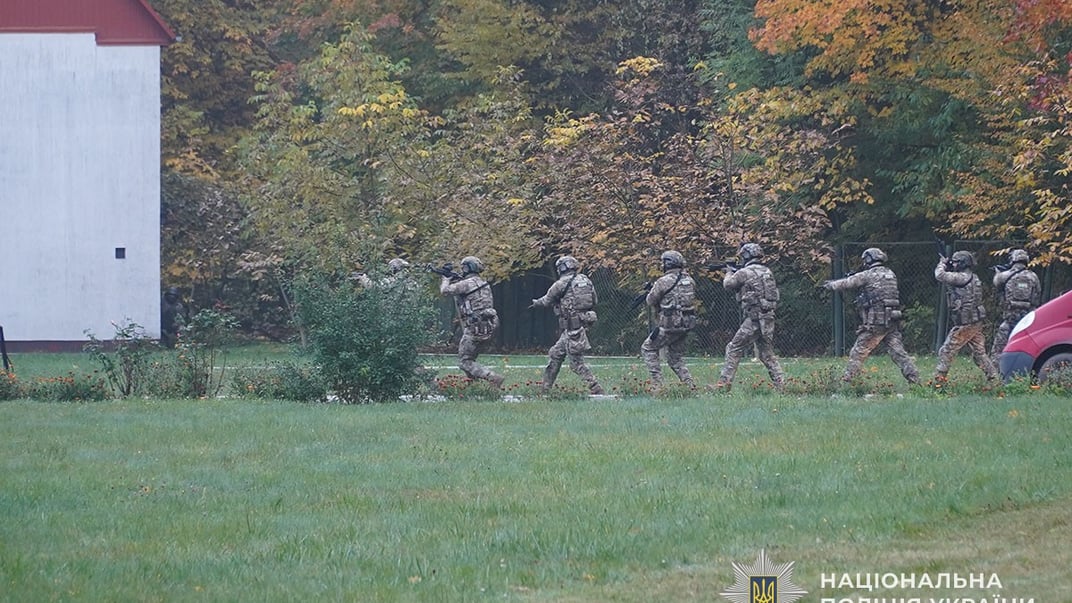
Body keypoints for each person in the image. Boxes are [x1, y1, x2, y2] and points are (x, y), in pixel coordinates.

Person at [822, 247, 920, 384]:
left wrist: (830, 285)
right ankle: (916, 380)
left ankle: (847, 383)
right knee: (898, 353)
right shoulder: (890, 273)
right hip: (892, 320)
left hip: (876, 322)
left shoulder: (869, 274)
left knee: (858, 352)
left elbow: (847, 283)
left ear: (869, 259)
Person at [716, 243, 786, 391]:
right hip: (768, 318)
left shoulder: (745, 272)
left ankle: (723, 384)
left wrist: (729, 271)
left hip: (754, 319)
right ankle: (782, 385)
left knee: (733, 348)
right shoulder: (767, 271)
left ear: (746, 255)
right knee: (766, 354)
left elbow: (728, 285)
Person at [531, 255, 605, 395]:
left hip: (573, 327)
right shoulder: (586, 281)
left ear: (561, 268)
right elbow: (594, 300)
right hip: (582, 324)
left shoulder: (561, 284)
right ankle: (545, 389)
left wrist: (536, 303)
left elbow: (546, 301)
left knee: (576, 363)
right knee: (555, 354)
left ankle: (595, 387)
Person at [439, 255, 505, 388]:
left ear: (468, 268)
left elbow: (444, 291)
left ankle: (492, 377)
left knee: (464, 361)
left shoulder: (466, 284)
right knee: (470, 360)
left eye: (463, 267)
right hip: (489, 326)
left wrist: (445, 279)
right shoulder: (483, 283)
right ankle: (473, 387)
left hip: (474, 327)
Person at [934, 250, 998, 382]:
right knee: (979, 354)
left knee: (947, 350)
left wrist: (942, 264)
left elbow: (940, 275)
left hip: (966, 322)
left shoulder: (962, 277)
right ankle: (994, 379)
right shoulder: (974, 277)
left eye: (957, 262)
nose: (954, 264)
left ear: (963, 263)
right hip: (975, 321)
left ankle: (938, 381)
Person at [640, 250, 697, 390]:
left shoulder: (663, 281)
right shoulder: (689, 280)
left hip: (670, 325)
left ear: (667, 264)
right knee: (675, 357)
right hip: (686, 324)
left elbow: (650, 300)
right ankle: (690, 385)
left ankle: (658, 385)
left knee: (648, 348)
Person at [990, 248, 1041, 361]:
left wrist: (998, 272)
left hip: (1009, 319)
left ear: (1012, 260)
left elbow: (996, 283)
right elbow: (1037, 296)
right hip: (1027, 320)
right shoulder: (1033, 277)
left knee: (998, 349)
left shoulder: (1005, 275)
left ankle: (996, 373)